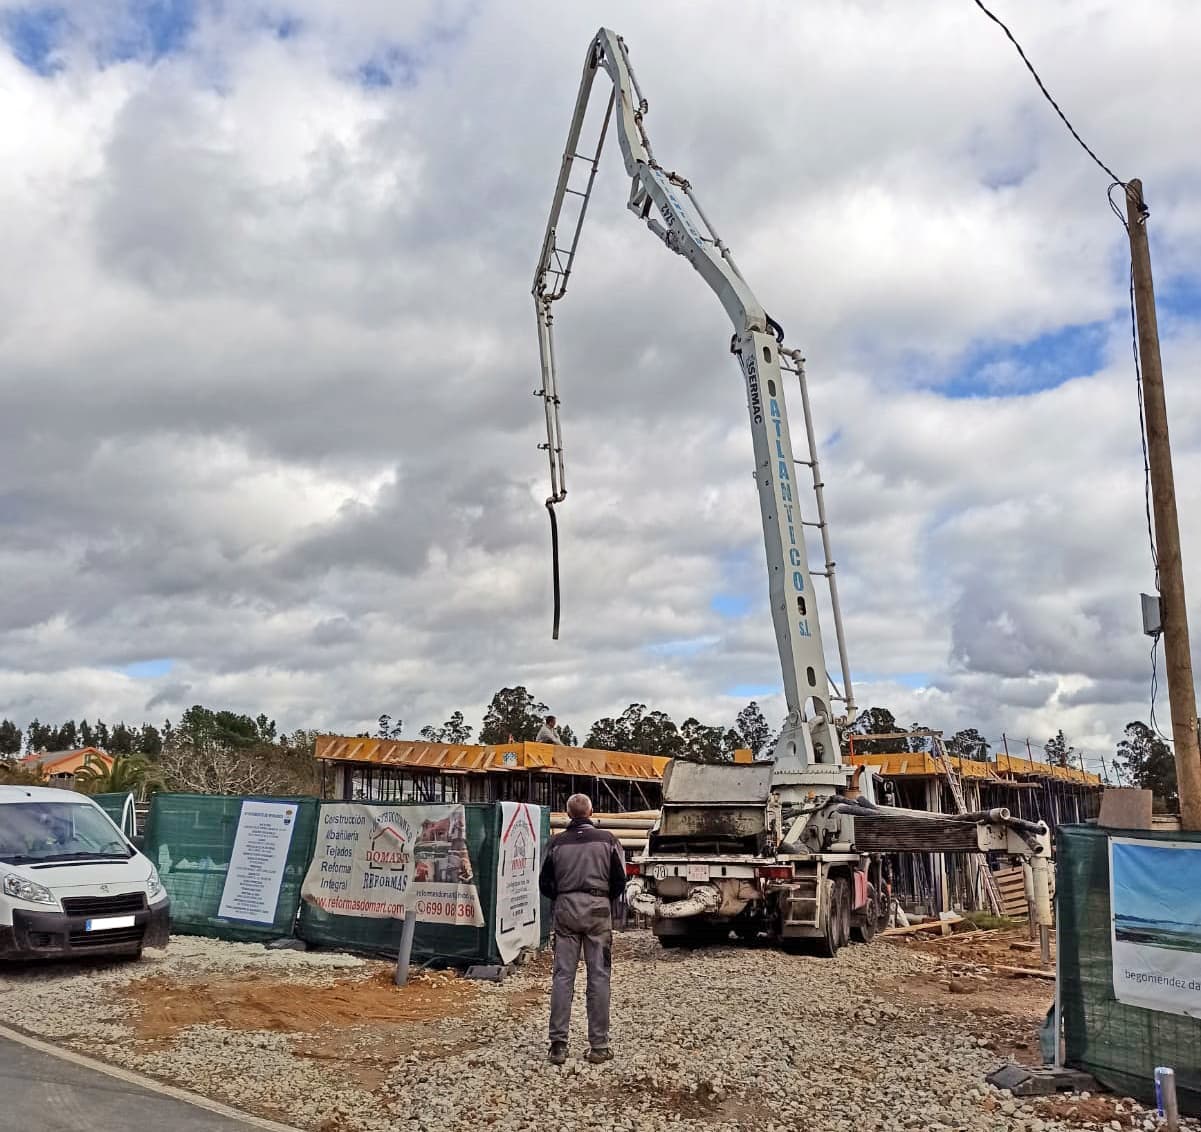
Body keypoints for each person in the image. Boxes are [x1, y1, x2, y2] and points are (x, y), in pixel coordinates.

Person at [538, 792, 626, 1066]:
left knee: (563, 976)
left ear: (568, 814)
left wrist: (565, 897)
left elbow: (545, 883)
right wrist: (600, 897)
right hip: (598, 909)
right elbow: (619, 881)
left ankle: (558, 1046)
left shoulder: (555, 843)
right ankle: (599, 1046)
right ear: (591, 811)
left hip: (565, 908)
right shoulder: (608, 840)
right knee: (598, 976)